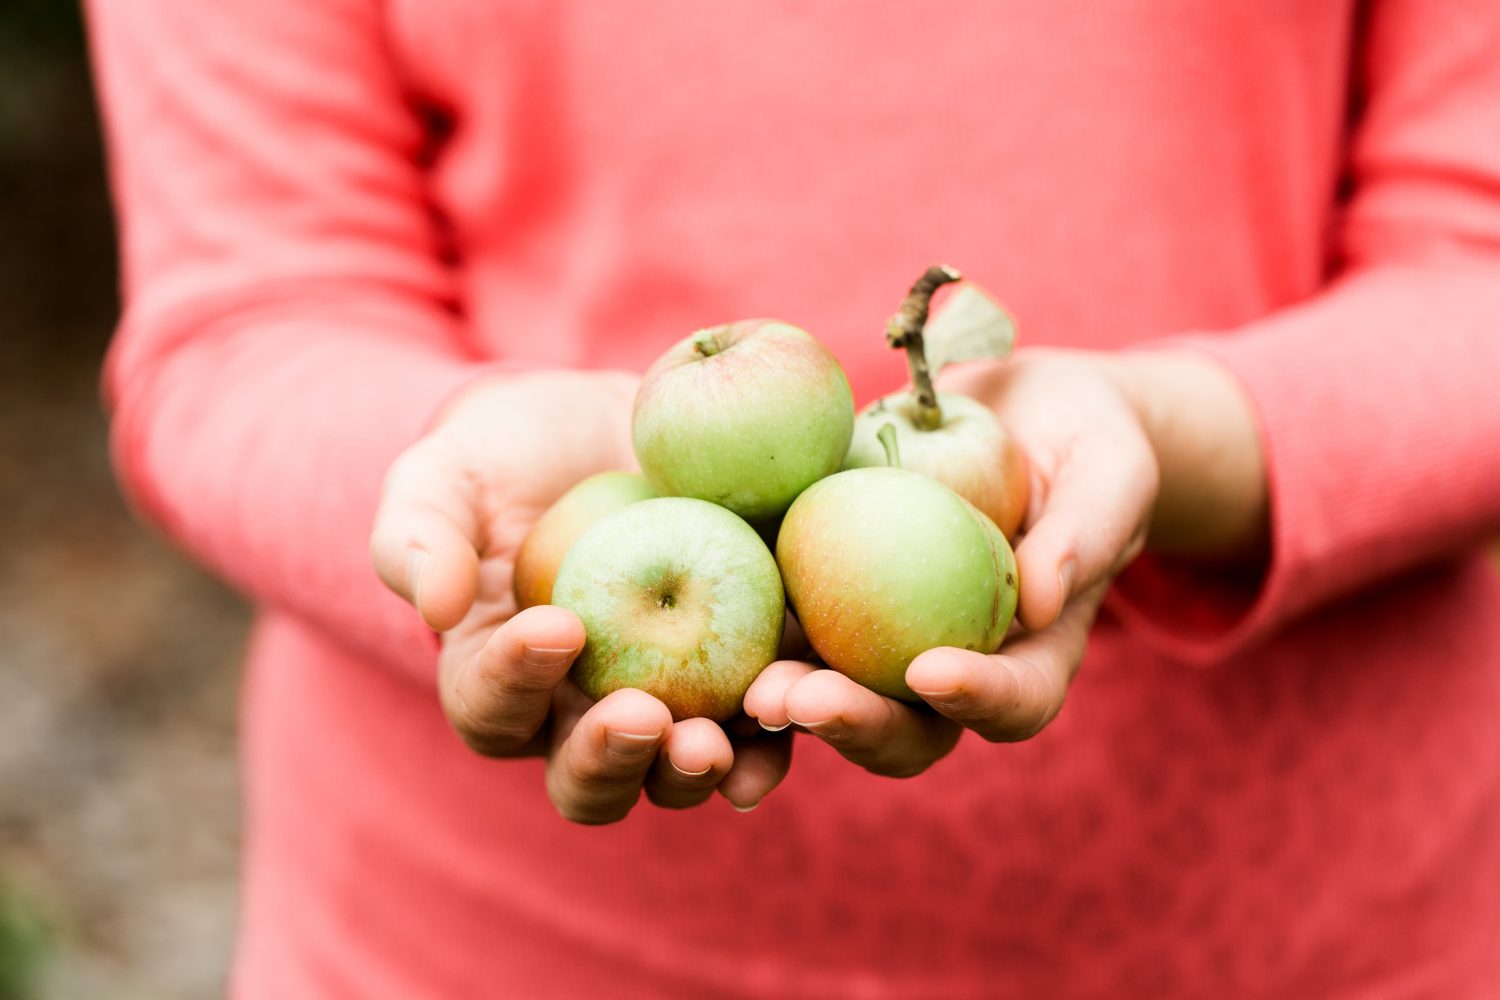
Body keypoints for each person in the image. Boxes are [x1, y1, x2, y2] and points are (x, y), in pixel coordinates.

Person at [87, 1, 1500, 996]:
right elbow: (240, 323)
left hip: (1322, 941)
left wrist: (1173, 434)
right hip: (484, 948)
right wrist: (451, 494)